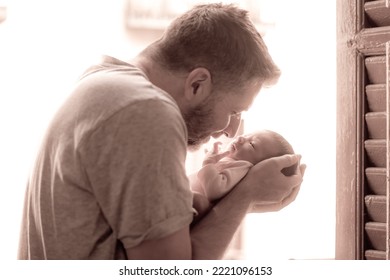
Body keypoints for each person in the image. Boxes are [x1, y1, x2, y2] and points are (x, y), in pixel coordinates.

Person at [18, 3, 305, 260]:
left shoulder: (105, 83)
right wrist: (246, 195)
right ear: (197, 84)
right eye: (233, 112)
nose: (231, 131)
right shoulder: (145, 111)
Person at [191, 130, 298, 218]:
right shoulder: (231, 162)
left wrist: (208, 163)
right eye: (246, 135)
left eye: (251, 144)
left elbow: (215, 190)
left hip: (192, 210)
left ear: (259, 167)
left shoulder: (242, 167)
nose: (241, 138)